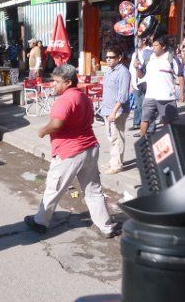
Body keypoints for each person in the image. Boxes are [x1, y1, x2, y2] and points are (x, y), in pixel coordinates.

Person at [24, 64, 120, 239]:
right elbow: (90, 120)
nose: (53, 84)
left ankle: (40, 222)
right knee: (93, 190)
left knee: (54, 188)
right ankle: (106, 227)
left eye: (57, 81)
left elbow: (56, 125)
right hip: (90, 148)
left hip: (70, 152)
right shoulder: (83, 97)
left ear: (68, 82)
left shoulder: (65, 100)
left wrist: (42, 131)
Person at [137, 35, 185, 137]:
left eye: (156, 45)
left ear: (163, 46)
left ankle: (169, 141)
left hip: (166, 97)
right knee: (144, 120)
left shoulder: (171, 58)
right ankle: (142, 140)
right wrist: (137, 68)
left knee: (168, 123)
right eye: (153, 45)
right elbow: (141, 75)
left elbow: (180, 76)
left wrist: (182, 93)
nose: (153, 48)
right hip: (150, 95)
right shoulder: (149, 58)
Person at [100, 46, 131, 174]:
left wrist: (114, 111)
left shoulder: (123, 72)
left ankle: (117, 164)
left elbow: (123, 96)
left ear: (119, 58)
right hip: (107, 109)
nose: (108, 59)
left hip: (117, 110)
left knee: (117, 137)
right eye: (107, 57)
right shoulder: (109, 71)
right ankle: (114, 159)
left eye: (111, 57)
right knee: (111, 137)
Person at [129, 38, 152, 132]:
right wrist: (131, 82)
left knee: (143, 106)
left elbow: (146, 68)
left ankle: (147, 127)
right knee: (137, 104)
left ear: (144, 41)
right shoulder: (135, 53)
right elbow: (131, 68)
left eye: (137, 40)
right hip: (135, 81)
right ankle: (137, 123)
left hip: (143, 81)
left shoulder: (148, 52)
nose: (135, 42)